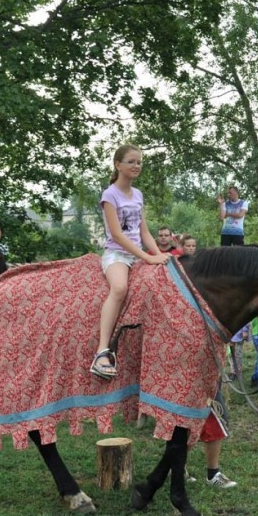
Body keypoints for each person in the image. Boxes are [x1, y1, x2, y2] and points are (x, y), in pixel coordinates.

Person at [90, 145, 170, 379]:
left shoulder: (138, 195)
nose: (136, 166)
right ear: (118, 165)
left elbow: (144, 232)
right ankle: (101, 351)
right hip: (118, 254)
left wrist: (160, 257)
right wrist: (147, 257)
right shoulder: (110, 195)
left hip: (138, 254)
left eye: (139, 162)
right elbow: (117, 234)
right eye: (131, 162)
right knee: (120, 288)